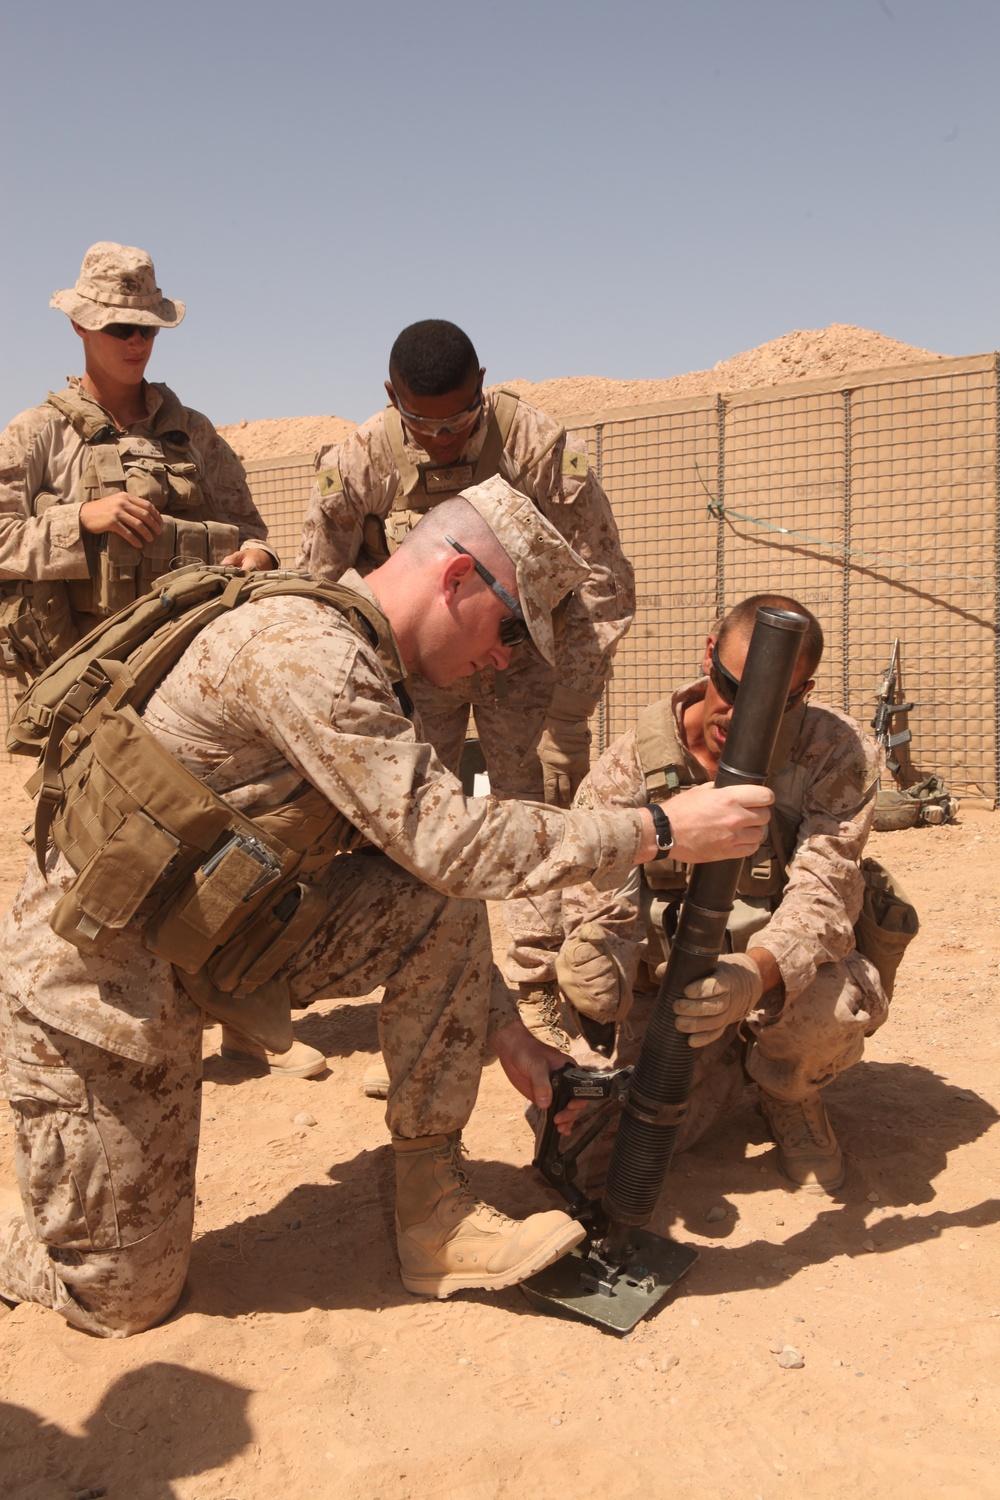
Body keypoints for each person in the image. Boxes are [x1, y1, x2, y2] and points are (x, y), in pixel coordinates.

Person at [0, 476, 772, 1337]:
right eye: (512, 627)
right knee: (122, 1298)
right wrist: (657, 828)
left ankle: (433, 1219)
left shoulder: (358, 658)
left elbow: (423, 876)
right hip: (96, 994)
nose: (509, 657)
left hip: (203, 943)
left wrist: (512, 1041)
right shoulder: (308, 655)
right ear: (458, 579)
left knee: (430, 905)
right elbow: (458, 843)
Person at [0, 241, 326, 1080]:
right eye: (116, 325)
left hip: (187, 684)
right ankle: (92, 1039)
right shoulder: (37, 438)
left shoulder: (194, 434)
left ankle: (243, 1016)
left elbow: (254, 529)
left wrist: (252, 558)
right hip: (87, 692)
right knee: (92, 862)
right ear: (78, 323)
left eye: (145, 325)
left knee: (225, 846)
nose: (134, 340)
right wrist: (84, 522)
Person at [296, 320, 636, 1054]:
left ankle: (538, 983)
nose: (443, 438)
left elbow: (604, 581)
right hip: (419, 668)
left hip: (526, 661)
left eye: (458, 420)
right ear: (392, 398)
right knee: (411, 824)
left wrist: (571, 708)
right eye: (422, 421)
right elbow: (316, 585)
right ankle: (423, 998)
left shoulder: (536, 445)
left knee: (534, 803)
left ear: (482, 384)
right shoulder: (359, 461)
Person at [552, 593, 885, 1193]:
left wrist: (754, 976)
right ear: (709, 656)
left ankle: (787, 1089)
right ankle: (729, 1070)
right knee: (590, 1155)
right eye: (731, 686)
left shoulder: (835, 752)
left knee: (831, 1008)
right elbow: (595, 886)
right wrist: (601, 954)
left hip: (773, 980)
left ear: (803, 691)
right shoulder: (633, 764)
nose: (742, 714)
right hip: (674, 988)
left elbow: (825, 894)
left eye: (778, 700)